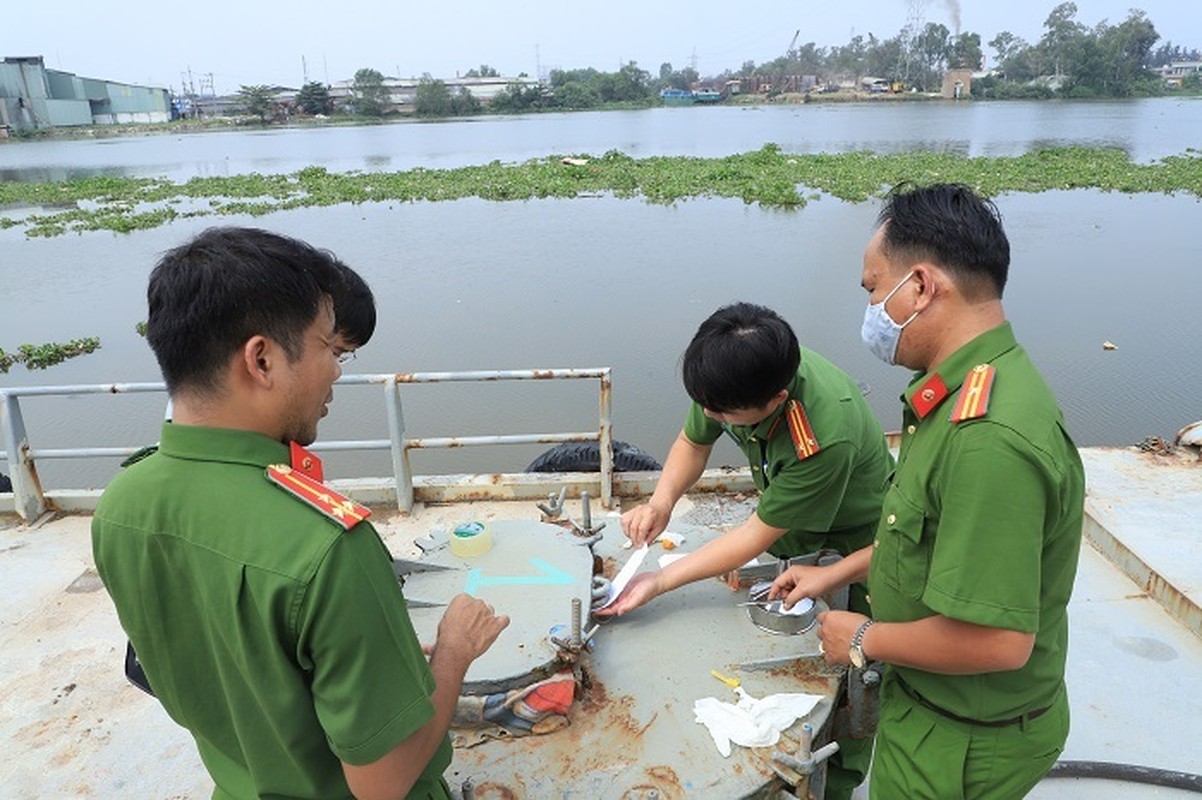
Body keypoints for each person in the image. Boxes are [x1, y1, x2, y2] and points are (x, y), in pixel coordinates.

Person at [93, 227, 509, 799]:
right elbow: (382, 783)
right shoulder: (327, 547)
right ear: (261, 359)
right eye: (325, 348)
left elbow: (222, 667)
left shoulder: (121, 504)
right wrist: (456, 651)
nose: (336, 371)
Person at [771, 183, 1083, 799]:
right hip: (933, 703)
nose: (871, 310)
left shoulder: (986, 436)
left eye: (872, 289)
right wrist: (835, 574)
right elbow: (924, 537)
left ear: (919, 286)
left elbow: (1000, 641)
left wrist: (860, 636)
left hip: (962, 735)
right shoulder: (961, 393)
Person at [600, 301, 892, 800]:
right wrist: (662, 502)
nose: (711, 415)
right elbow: (694, 441)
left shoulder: (821, 435)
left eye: (721, 412)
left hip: (857, 537)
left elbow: (758, 535)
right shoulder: (729, 374)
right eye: (707, 405)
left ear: (776, 399)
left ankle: (833, 780)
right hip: (789, 511)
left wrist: (660, 581)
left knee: (849, 670)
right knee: (776, 606)